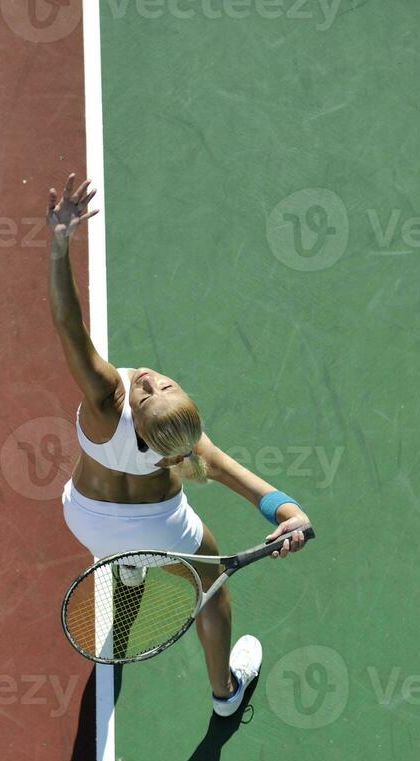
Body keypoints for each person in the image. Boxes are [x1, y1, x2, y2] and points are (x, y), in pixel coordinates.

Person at [45, 175, 311, 715]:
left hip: (88, 521)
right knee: (209, 584)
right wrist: (291, 514)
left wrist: (58, 244)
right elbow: (251, 486)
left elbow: (68, 325)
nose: (147, 380)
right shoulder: (189, 446)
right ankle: (225, 695)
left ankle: (124, 581)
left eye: (153, 391)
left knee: (126, 558)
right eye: (154, 388)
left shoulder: (106, 399)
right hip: (160, 531)